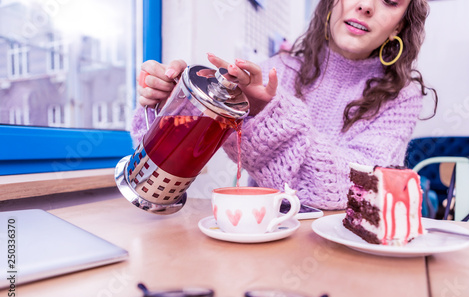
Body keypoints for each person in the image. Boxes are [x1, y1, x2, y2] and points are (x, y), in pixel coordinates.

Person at [131, 0, 437, 210]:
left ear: (400, 25)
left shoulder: (402, 96)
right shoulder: (275, 70)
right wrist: (170, 106)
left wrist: (271, 115)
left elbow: (358, 187)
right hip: (261, 241)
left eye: (390, 0)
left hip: (346, 255)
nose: (366, 5)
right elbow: (165, 175)